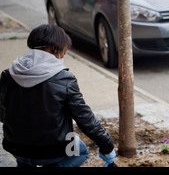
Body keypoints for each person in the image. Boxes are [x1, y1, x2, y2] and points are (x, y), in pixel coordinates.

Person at [0, 24, 116, 167]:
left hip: (16, 147)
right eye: (63, 52)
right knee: (81, 151)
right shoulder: (64, 79)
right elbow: (86, 119)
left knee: (25, 156)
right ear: (55, 49)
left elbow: (2, 114)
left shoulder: (8, 74)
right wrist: (107, 146)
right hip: (53, 151)